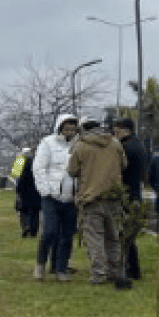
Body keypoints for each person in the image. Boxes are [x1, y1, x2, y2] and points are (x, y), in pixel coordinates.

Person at [67, 117, 129, 287]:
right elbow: (124, 164)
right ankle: (114, 271)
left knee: (94, 238)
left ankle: (98, 274)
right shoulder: (115, 143)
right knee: (113, 237)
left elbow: (72, 170)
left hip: (91, 198)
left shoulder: (81, 145)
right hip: (113, 196)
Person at [32, 114, 81, 281]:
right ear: (59, 128)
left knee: (67, 235)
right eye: (67, 128)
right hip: (51, 196)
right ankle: (40, 264)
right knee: (50, 231)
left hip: (71, 198)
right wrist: (45, 190)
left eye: (73, 129)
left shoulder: (78, 145)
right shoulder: (47, 143)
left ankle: (61, 268)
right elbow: (38, 169)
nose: (70, 131)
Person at [113, 118, 149, 279]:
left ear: (126, 130)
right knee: (128, 234)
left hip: (128, 193)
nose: (114, 134)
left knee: (125, 234)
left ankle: (131, 268)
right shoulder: (138, 145)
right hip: (135, 192)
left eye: (117, 130)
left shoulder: (127, 147)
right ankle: (132, 268)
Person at [14, 147, 42, 238]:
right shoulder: (37, 162)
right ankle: (33, 230)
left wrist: (17, 190)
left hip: (23, 190)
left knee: (24, 210)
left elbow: (16, 178)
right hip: (35, 190)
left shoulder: (19, 162)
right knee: (35, 211)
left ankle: (25, 226)